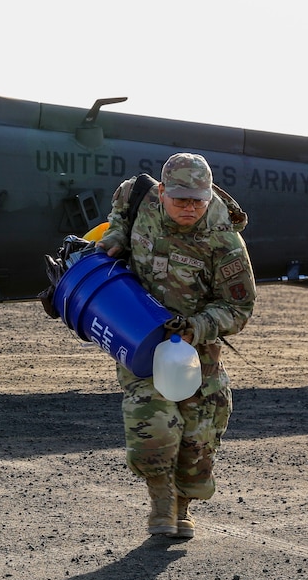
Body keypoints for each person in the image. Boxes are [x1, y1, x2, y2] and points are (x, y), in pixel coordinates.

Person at [95, 152, 254, 538]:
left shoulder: (224, 243)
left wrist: (196, 328)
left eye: (198, 200)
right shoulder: (138, 195)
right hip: (141, 338)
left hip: (196, 348)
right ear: (162, 191)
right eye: (180, 199)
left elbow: (239, 307)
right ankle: (162, 501)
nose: (189, 207)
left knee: (199, 438)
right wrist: (115, 232)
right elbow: (120, 207)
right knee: (155, 427)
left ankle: (183, 503)